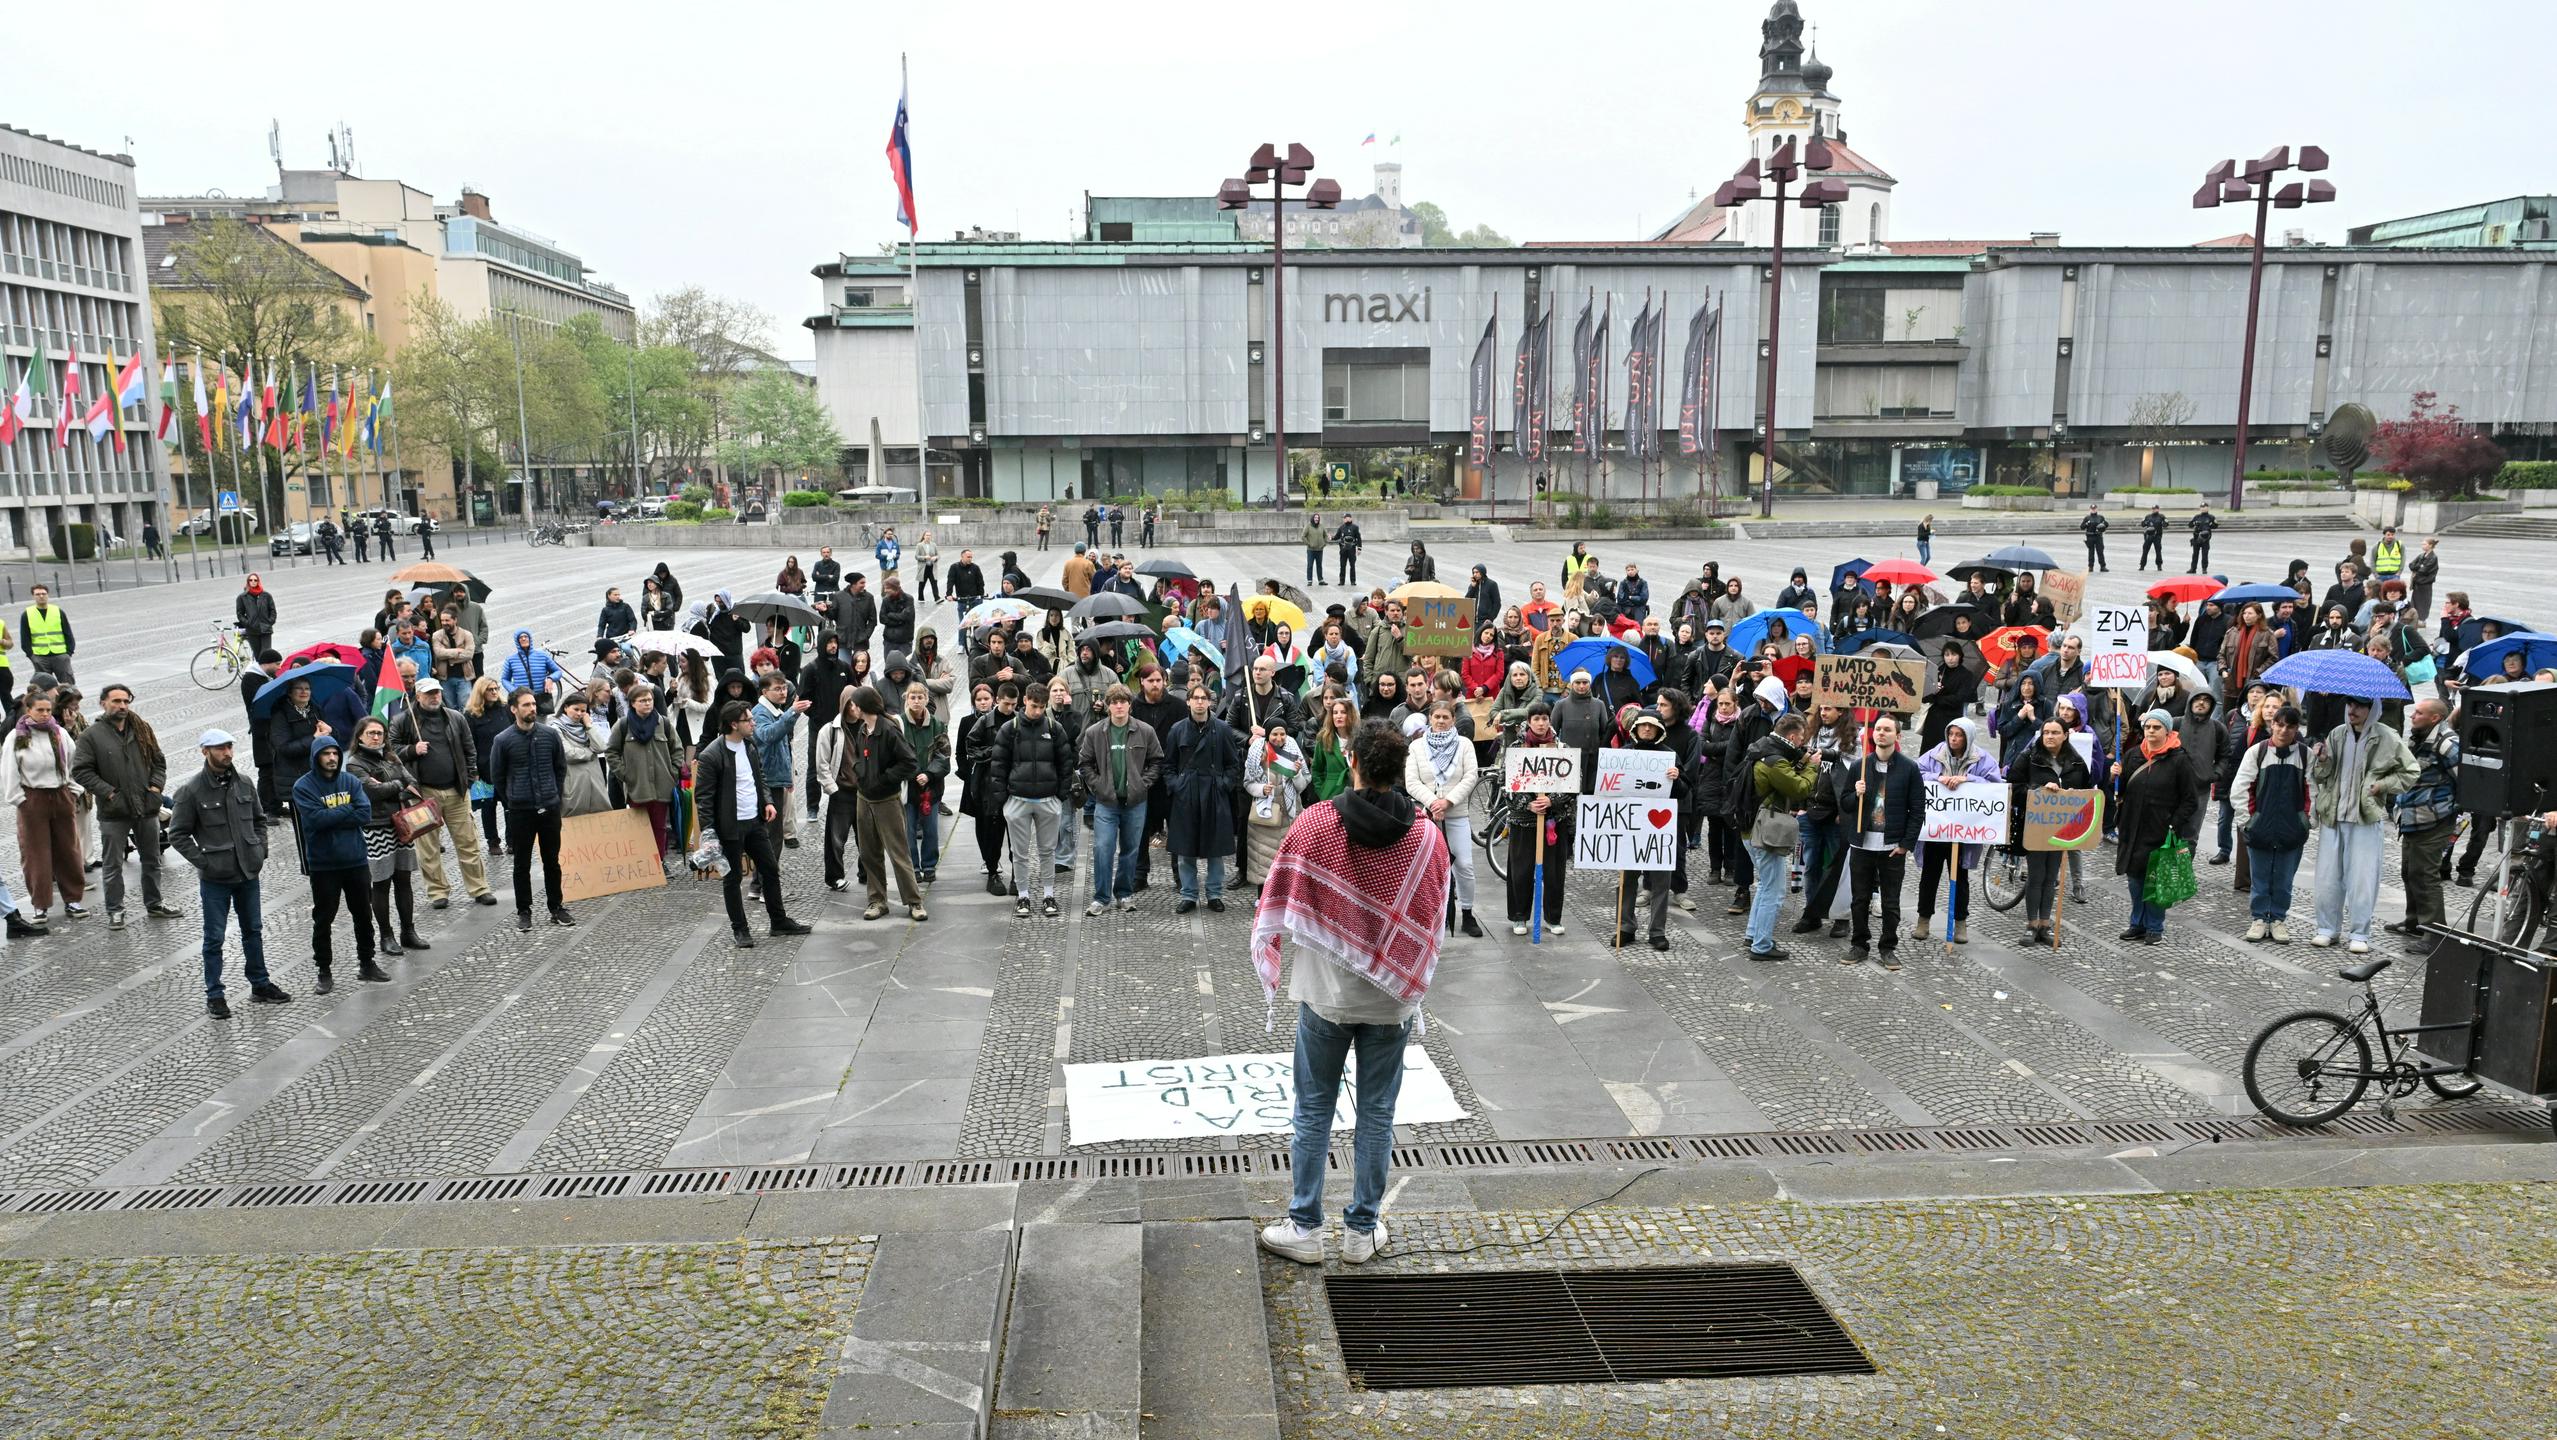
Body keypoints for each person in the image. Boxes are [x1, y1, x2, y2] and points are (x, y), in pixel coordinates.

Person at [1253, 717, 1450, 1267]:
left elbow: (1277, 894)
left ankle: (1305, 1226)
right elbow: (1434, 912)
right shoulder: (1426, 836)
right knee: (1378, 1111)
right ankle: (1362, 1231)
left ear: (1353, 762)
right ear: (1400, 770)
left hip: (1325, 993)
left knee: (1313, 1108)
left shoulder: (1316, 824)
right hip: (1391, 998)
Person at [170, 729, 280, 1015]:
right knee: (214, 938)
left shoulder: (244, 783)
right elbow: (178, 834)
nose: (227, 753)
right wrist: (204, 861)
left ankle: (260, 983)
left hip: (247, 873)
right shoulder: (191, 791)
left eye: (229, 747)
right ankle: (215, 994)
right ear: (205, 751)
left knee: (253, 931)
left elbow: (259, 820)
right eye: (219, 748)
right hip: (216, 879)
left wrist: (260, 851)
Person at [694, 699, 814, 947]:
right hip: (730, 826)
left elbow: (759, 776)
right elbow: (703, 798)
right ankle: (740, 929)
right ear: (733, 725)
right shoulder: (712, 755)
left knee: (770, 869)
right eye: (748, 720)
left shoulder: (749, 745)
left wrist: (767, 802)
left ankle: (778, 922)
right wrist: (709, 832)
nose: (753, 722)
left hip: (755, 821)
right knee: (732, 878)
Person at [71, 682, 180, 930]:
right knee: (112, 865)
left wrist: (154, 789)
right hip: (114, 813)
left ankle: (155, 904)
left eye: (126, 701)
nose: (122, 706)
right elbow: (81, 771)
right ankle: (115, 910)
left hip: (146, 808)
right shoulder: (91, 736)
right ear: (103, 704)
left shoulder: (141, 729)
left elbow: (158, 762)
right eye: (116, 701)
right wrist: (108, 793)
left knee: (152, 859)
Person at [398, 656, 490, 911]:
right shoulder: (405, 720)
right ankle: (437, 891)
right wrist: (411, 750)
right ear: (418, 696)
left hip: (456, 790)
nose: (434, 697)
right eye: (429, 694)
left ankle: (479, 887)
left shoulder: (455, 718)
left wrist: (470, 777)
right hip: (423, 794)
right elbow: (392, 752)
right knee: (428, 849)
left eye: (437, 692)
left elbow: (469, 749)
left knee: (468, 842)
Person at [293, 735, 383, 988]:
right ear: (316, 757)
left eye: (335, 753)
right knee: (324, 919)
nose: (332, 758)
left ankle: (368, 963)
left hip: (355, 860)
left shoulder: (350, 781)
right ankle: (324, 970)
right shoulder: (303, 786)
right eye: (326, 754)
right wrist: (347, 811)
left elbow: (364, 813)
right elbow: (315, 821)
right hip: (324, 865)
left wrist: (332, 814)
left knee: (363, 915)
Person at [1837, 714, 1924, 969]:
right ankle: (1859, 944)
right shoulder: (1859, 767)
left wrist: (1906, 843)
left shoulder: (1909, 769)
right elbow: (1845, 804)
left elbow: (1917, 809)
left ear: (1897, 736)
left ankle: (1888, 947)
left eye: (1887, 730)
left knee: (1890, 901)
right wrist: (1856, 793)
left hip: (1891, 847)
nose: (1881, 733)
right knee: (1860, 898)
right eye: (1878, 729)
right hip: (1862, 844)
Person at [2113, 708, 2204, 944]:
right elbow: (2120, 792)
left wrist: (2172, 823)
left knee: (2156, 880)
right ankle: (2137, 924)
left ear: (2167, 731)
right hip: (2133, 828)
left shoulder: (2179, 760)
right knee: (2135, 880)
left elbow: (2190, 800)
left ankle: (2155, 926)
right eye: (2147, 727)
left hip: (2161, 830)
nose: (2151, 732)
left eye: (2156, 728)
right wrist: (2115, 777)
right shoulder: (2133, 755)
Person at [487, 687, 574, 934]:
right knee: (521, 864)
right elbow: (498, 777)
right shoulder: (503, 740)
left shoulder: (549, 735)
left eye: (533, 704)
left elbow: (560, 768)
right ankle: (524, 911)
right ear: (514, 709)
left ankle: (556, 907)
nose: (532, 708)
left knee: (552, 861)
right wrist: (514, 799)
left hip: (549, 808)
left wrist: (553, 795)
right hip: (521, 811)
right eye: (526, 705)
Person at [345, 716, 432, 956]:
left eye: (379, 733)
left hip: (402, 825)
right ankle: (386, 935)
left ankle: (408, 931)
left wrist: (391, 787)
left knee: (404, 881)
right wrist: (397, 786)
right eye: (371, 733)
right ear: (360, 736)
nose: (376, 737)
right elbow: (371, 792)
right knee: (381, 884)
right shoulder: (354, 763)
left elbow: (413, 783)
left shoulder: (391, 756)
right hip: (376, 827)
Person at [991, 681, 1076, 917]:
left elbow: (1066, 763)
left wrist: (1060, 796)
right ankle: (1023, 896)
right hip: (1018, 799)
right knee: (1020, 853)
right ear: (1025, 701)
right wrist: (1004, 801)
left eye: (1041, 707)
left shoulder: (1054, 727)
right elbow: (998, 766)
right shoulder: (1010, 729)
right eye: (1034, 706)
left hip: (1048, 799)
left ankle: (1049, 894)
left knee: (1048, 851)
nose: (1037, 711)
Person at [1738, 711, 1819, 961]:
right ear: (1793, 736)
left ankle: (1754, 934)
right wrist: (1812, 768)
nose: (1803, 743)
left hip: (1749, 828)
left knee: (1764, 884)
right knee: (1774, 891)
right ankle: (1761, 945)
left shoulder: (1762, 748)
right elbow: (1798, 788)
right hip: (1764, 833)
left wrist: (1800, 762)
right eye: (1802, 738)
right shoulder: (1775, 761)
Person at [2229, 702, 2311, 943]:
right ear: (2272, 724)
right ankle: (2258, 918)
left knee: (2284, 880)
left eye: (2290, 726)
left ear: (2297, 729)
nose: (2284, 730)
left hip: (2291, 829)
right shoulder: (2257, 752)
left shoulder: (2306, 756)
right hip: (2261, 827)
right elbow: (2241, 787)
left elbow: (2312, 791)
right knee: (2260, 878)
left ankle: (2278, 919)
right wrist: (2249, 820)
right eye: (2280, 724)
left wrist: (2306, 822)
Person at [1080, 681, 1163, 915]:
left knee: (1130, 850)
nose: (1118, 706)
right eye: (1114, 702)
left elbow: (1157, 760)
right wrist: (1098, 786)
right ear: (1107, 706)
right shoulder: (1095, 732)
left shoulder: (1145, 731)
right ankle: (1101, 897)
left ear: (1129, 705)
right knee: (1103, 847)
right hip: (1106, 802)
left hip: (1135, 802)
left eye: (1122, 702)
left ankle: (1124, 894)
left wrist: (1142, 784)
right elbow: (1085, 762)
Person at [1914, 718, 1998, 946]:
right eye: (1951, 734)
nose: (1954, 739)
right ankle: (1923, 919)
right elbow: (1916, 774)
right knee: (1929, 877)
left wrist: (1968, 780)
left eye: (1959, 735)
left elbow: (1995, 784)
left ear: (1967, 737)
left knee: (1960, 879)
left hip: (1963, 833)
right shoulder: (1934, 755)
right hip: (1936, 830)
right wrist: (1937, 778)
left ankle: (1960, 922)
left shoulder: (1982, 759)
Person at [2006, 717, 2091, 944]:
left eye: (2055, 732)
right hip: (2035, 825)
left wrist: (2071, 794)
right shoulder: (2030, 758)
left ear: (2065, 735)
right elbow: (2014, 787)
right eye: (2046, 733)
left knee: (2051, 876)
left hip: (2061, 828)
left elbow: (2087, 792)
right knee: (2036, 876)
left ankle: (2045, 923)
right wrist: (2039, 791)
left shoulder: (2076, 762)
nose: (2050, 737)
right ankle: (2031, 924)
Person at [1405, 700, 1485, 939]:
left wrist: (1448, 801)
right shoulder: (1417, 747)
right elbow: (1412, 781)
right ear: (1430, 718)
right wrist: (1432, 802)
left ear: (1452, 719)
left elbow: (1470, 776)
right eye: (1436, 717)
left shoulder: (1464, 745)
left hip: (1456, 813)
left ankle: (1467, 913)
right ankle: (1428, 917)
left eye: (1445, 717)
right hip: (1428, 816)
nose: (1440, 721)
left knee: (1464, 865)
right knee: (1427, 869)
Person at [5, 690, 87, 920]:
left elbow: (72, 762)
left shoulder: (59, 733)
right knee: (35, 853)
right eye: (39, 710)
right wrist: (20, 799)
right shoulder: (19, 736)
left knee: (69, 850)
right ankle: (40, 904)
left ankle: (73, 900)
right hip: (33, 798)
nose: (44, 714)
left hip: (60, 796)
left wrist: (72, 790)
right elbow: (11, 769)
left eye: (48, 710)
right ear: (28, 710)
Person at [2389, 698, 2461, 952]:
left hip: (2434, 819)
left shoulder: (2448, 744)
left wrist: (2451, 809)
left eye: (2419, 713)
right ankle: (2414, 922)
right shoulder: (2417, 737)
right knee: (2409, 870)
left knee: (2425, 875)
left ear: (2435, 718)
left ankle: (2434, 932)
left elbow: (2464, 780)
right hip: (2412, 816)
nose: (2412, 716)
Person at [1165, 682, 1243, 912]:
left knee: (1215, 849)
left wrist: (1223, 785)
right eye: (1195, 698)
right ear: (1188, 701)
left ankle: (1214, 894)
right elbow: (1168, 764)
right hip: (1186, 793)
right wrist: (1176, 785)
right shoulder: (1177, 729)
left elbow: (1233, 764)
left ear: (1210, 702)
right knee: (1185, 848)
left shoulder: (1223, 729)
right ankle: (1188, 894)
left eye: (1204, 698)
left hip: (1213, 793)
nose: (1200, 702)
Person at [752, 673, 812, 847]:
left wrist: (787, 777)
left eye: (784, 688)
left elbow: (784, 747)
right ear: (764, 692)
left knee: (776, 833)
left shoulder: (776, 710)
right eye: (777, 689)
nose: (783, 692)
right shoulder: (760, 712)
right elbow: (769, 735)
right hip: (767, 779)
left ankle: (769, 873)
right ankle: (767, 873)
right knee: (771, 834)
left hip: (777, 778)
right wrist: (792, 712)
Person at [554, 693, 612, 818]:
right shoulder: (556, 728)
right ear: (565, 708)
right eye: (576, 709)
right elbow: (568, 753)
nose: (579, 713)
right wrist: (590, 752)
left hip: (595, 782)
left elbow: (601, 747)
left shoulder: (585, 726)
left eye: (583, 711)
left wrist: (589, 726)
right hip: (574, 783)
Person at [19, 583, 74, 682]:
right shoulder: (27, 614)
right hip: (40, 657)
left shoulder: (58, 611)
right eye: (38, 594)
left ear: (48, 595)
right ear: (33, 596)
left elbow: (68, 633)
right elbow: (25, 638)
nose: (41, 596)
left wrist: (68, 653)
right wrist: (31, 656)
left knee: (68, 686)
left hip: (60, 655)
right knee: (45, 687)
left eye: (43, 593)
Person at [233, 574, 278, 657]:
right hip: (252, 631)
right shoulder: (242, 597)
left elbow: (272, 610)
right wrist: (248, 623)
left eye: (255, 580)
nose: (253, 582)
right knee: (257, 656)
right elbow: (240, 614)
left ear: (258, 581)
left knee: (266, 654)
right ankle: (259, 669)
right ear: (248, 582)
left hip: (266, 630)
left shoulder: (266, 595)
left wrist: (270, 621)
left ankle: (265, 669)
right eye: (251, 580)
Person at [2407, 538, 2440, 622]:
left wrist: (2418, 567)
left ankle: (2422, 619)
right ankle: (2415, 617)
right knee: (2415, 601)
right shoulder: (2421, 555)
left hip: (2426, 583)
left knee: (2424, 602)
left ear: (2430, 545)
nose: (2423, 546)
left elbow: (2425, 570)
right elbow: (2411, 565)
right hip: (2417, 582)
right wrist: (2419, 566)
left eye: (2424, 544)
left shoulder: (2433, 557)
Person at [2187, 502, 2217, 572]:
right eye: (2202, 507)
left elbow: (2215, 526)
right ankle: (2193, 568)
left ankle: (2204, 568)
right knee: (2195, 554)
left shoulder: (2211, 517)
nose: (2203, 508)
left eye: (2205, 507)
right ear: (2200, 508)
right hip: (2196, 537)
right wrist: (2194, 523)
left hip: (2205, 538)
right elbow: (2190, 525)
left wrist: (2211, 524)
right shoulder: (2197, 517)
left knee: (2205, 554)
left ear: (2208, 508)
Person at [2079, 504, 2110, 572]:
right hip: (2090, 536)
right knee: (2091, 552)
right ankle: (2090, 566)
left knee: (2100, 552)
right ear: (2090, 509)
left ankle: (2103, 566)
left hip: (2098, 536)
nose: (2093, 510)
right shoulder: (2087, 518)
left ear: (2097, 509)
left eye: (2094, 508)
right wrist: (2086, 524)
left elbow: (2106, 524)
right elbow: (2081, 527)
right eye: (2092, 509)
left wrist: (2104, 524)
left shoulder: (2100, 517)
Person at [1335, 514, 1363, 586]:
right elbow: (1337, 536)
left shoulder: (1355, 527)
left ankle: (1353, 581)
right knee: (1342, 565)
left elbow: (1358, 538)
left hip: (1351, 549)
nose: (1346, 519)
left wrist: (1359, 548)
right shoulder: (1341, 527)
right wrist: (1331, 538)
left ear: (1350, 518)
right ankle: (1342, 581)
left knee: (1352, 565)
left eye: (1347, 518)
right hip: (1343, 549)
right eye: (1344, 518)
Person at [1303, 516, 1328, 586]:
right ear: (1313, 518)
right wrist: (1308, 544)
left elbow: (1325, 535)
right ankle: (1309, 580)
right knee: (1310, 565)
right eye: (1315, 518)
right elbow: (1303, 536)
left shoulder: (1321, 526)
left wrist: (1324, 543)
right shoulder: (1308, 526)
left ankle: (1320, 580)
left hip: (1320, 550)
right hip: (1311, 550)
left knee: (1319, 565)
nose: (1316, 519)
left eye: (1318, 518)